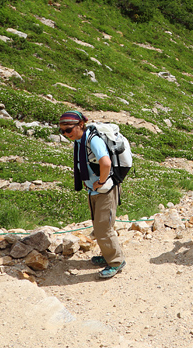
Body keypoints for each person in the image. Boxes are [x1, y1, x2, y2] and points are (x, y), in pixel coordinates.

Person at [61, 110, 126, 279]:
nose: (65, 134)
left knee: (104, 227)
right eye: (62, 131)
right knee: (99, 225)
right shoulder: (80, 140)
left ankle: (116, 262)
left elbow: (105, 162)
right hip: (94, 189)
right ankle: (107, 255)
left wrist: (102, 181)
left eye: (68, 130)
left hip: (105, 189)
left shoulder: (93, 140)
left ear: (80, 125)